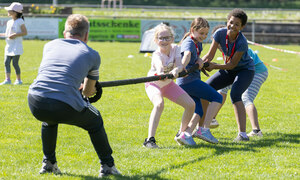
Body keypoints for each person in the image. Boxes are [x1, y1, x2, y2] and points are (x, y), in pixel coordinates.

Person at [27, 14, 120, 178]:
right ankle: (108, 166)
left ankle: (48, 163)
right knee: (95, 120)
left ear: (65, 33)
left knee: (49, 120)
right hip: (63, 103)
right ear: (86, 35)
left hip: (36, 99)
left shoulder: (50, 45)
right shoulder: (92, 54)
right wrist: (86, 87)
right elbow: (87, 92)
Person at [202, 9, 255, 142]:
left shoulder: (242, 42)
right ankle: (201, 128)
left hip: (245, 70)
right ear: (227, 22)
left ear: (242, 27)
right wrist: (202, 63)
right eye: (231, 22)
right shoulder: (219, 33)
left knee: (235, 95)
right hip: (229, 68)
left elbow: (232, 64)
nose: (232, 26)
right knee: (204, 89)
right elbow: (210, 55)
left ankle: (243, 135)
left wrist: (214, 66)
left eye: (237, 24)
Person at [143, 23, 196, 148]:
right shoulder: (156, 54)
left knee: (191, 104)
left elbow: (179, 64)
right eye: (161, 38)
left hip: (168, 84)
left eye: (167, 38)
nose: (164, 41)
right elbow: (159, 66)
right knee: (159, 104)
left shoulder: (176, 49)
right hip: (153, 84)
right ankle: (150, 140)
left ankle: (181, 134)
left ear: (172, 39)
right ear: (156, 40)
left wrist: (176, 71)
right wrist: (162, 73)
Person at [209, 26, 268, 137]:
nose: (218, 47)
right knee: (223, 89)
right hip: (239, 71)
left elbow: (238, 66)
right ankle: (212, 118)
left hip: (257, 72)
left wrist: (215, 66)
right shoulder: (227, 47)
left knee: (246, 98)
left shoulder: (240, 46)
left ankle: (256, 131)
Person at [176, 17, 223, 144]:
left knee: (199, 110)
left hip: (189, 81)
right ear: (192, 30)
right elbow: (186, 56)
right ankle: (204, 130)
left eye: (206, 34)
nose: (204, 36)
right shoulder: (189, 42)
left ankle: (185, 134)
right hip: (188, 82)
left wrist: (200, 62)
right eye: (201, 33)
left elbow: (195, 59)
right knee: (217, 98)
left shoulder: (197, 42)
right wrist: (182, 67)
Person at [0, 2, 27, 85]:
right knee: (6, 62)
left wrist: (15, 35)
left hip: (16, 46)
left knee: (15, 63)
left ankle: (18, 80)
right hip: (9, 46)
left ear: (15, 12)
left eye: (10, 10)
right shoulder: (9, 22)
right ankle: (7, 80)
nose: (8, 11)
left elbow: (25, 32)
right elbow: (8, 34)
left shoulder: (20, 21)